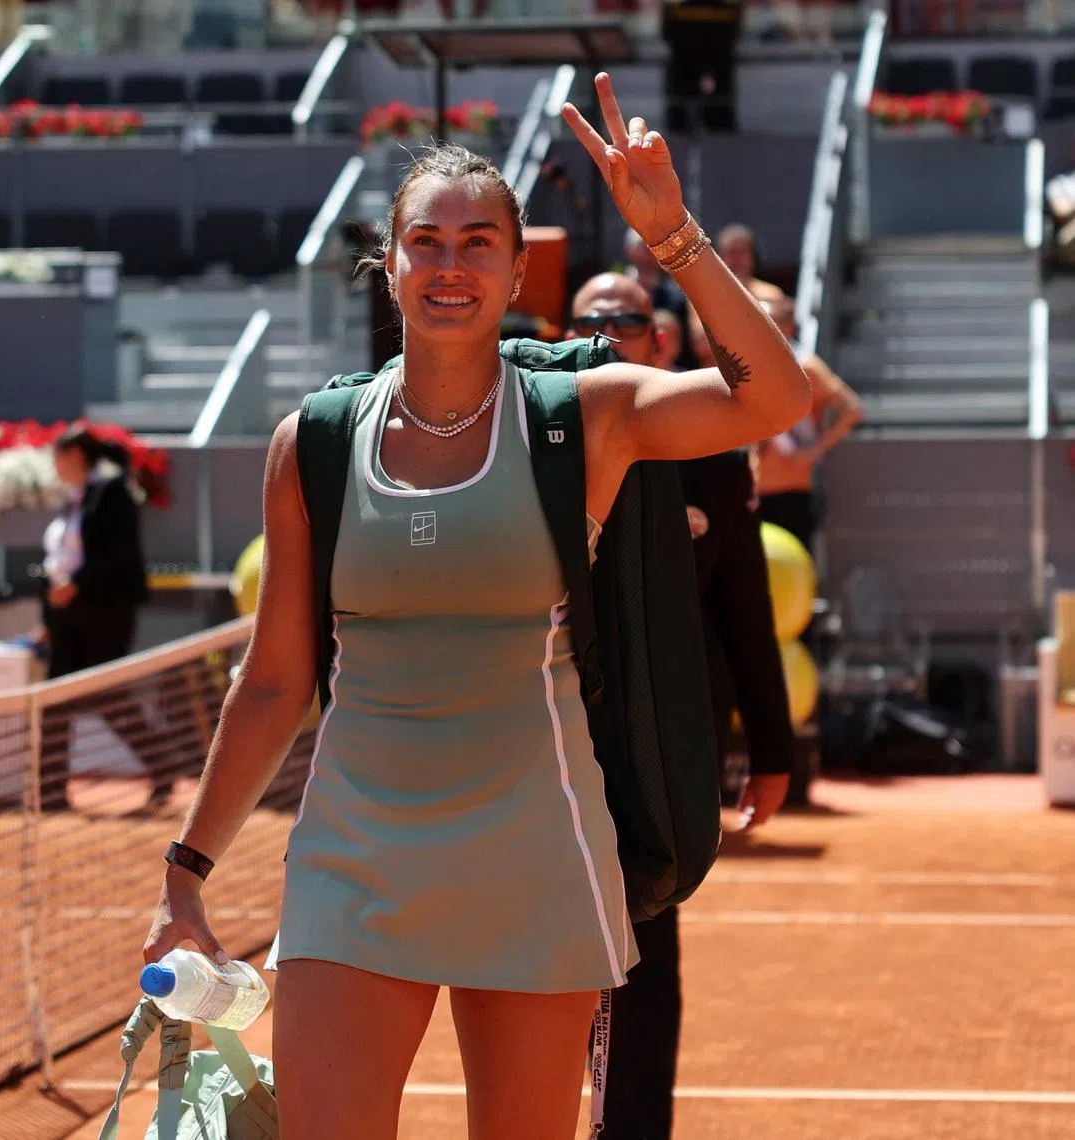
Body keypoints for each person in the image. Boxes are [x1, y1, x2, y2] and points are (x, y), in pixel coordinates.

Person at [143, 72, 809, 1140]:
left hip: (537, 856)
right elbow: (273, 683)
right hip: (351, 865)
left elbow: (777, 400)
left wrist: (674, 236)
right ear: (391, 263)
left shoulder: (583, 416)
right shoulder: (311, 444)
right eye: (428, 243)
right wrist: (186, 875)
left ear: (514, 271)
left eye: (479, 244)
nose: (450, 267)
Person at [569, 270, 794, 1140]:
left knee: (645, 952)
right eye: (591, 320)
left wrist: (771, 752)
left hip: (658, 749)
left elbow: (744, 610)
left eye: (627, 320)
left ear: (661, 343)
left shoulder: (713, 450)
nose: (609, 333)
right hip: (546, 739)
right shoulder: (532, 439)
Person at [38, 424, 155, 810]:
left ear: (75, 456)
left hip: (104, 613)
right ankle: (50, 791)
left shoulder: (111, 491)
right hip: (67, 617)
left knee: (110, 698)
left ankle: (167, 766)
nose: (55, 465)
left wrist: (78, 584)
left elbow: (118, 555)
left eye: (59, 457)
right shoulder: (74, 498)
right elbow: (61, 559)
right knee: (55, 702)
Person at [754, 295, 863, 552]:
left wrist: (814, 450)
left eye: (771, 323)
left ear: (789, 326)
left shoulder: (806, 366)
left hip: (792, 487)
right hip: (753, 487)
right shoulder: (749, 366)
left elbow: (853, 409)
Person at [622, 227, 696, 367]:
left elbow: (686, 347)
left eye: (654, 247)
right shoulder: (615, 294)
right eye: (643, 246)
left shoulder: (677, 296)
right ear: (629, 250)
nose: (649, 253)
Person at [716, 223, 787, 305]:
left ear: (753, 256)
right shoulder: (707, 295)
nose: (737, 259)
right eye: (732, 252)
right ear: (719, 256)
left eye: (743, 252)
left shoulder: (771, 295)